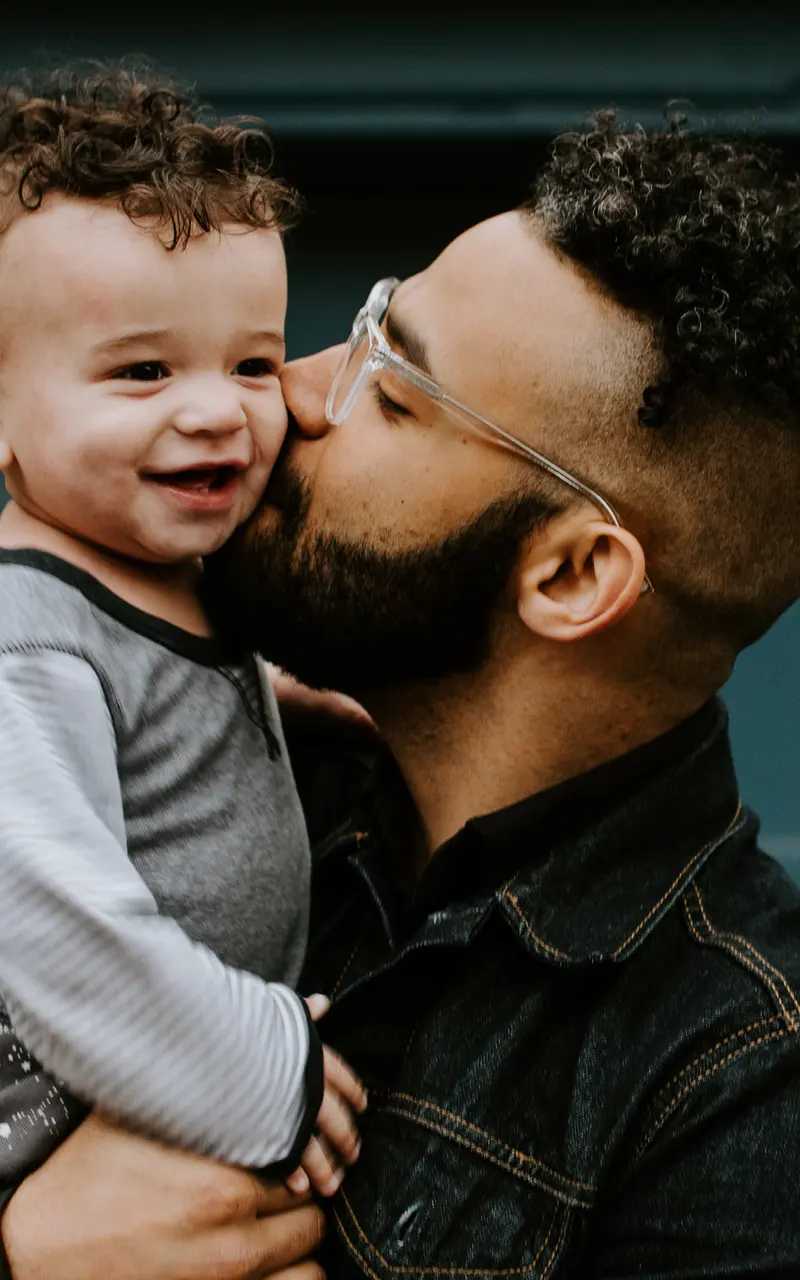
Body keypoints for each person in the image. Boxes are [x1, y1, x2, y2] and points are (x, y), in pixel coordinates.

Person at [4, 108, 800, 1278]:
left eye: (392, 390)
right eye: (366, 324)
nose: (292, 390)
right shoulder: (148, 745)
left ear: (572, 573)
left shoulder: (731, 1076)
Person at [0, 62, 365, 1212]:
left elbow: (150, 699)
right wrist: (264, 1067)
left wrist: (270, 696)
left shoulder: (151, 567)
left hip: (157, 1097)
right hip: (66, 1131)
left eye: (252, 362)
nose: (216, 409)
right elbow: (55, 927)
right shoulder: (27, 644)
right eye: (143, 370)